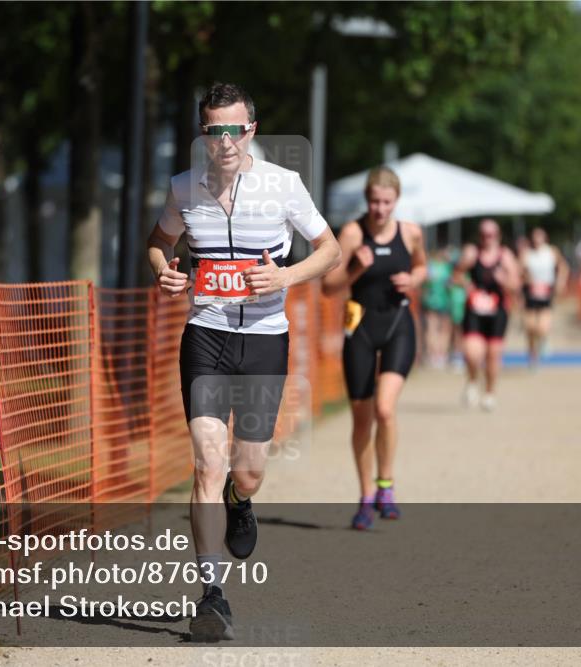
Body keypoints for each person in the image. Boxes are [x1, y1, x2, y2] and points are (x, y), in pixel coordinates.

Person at [146, 82, 341, 641]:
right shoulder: (185, 188)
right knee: (206, 464)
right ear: (203, 134)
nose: (225, 141)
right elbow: (159, 241)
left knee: (247, 470)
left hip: (263, 339)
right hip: (204, 336)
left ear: (251, 130)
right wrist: (164, 269)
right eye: (214, 130)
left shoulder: (283, 186)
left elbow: (330, 250)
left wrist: (284, 276)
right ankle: (211, 594)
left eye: (234, 129)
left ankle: (241, 499)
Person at [321, 167, 427, 530]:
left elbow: (423, 266)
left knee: (385, 408)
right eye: (374, 202)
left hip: (398, 324)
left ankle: (386, 485)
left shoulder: (411, 233)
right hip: (360, 327)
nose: (380, 209)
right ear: (366, 201)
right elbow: (328, 287)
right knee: (362, 418)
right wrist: (353, 269)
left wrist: (413, 279)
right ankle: (366, 496)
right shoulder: (352, 233)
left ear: (396, 201)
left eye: (386, 202)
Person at [452, 219, 522, 411]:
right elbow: (456, 275)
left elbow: (516, 285)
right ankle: (473, 380)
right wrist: (466, 285)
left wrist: (504, 281)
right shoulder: (471, 253)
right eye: (483, 234)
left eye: (491, 235)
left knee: (493, 355)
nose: (487, 238)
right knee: (472, 353)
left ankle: (490, 393)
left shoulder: (505, 256)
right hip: (474, 310)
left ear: (498, 236)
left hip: (497, 312)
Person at [520, 227, 569, 367]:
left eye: (540, 237)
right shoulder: (526, 253)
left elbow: (563, 267)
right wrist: (524, 277)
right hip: (530, 292)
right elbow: (519, 270)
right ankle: (532, 354)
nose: (537, 240)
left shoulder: (551, 251)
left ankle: (543, 341)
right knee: (530, 327)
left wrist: (560, 281)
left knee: (542, 326)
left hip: (546, 291)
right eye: (535, 237)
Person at [421, 247, 454, 369]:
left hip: (432, 301)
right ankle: (441, 355)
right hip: (443, 301)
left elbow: (425, 283)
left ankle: (433, 355)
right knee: (442, 330)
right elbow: (450, 284)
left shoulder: (430, 266)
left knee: (432, 329)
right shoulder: (447, 267)